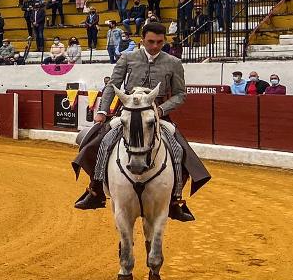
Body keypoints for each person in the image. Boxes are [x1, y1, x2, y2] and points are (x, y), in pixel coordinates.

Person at [71, 22, 210, 223]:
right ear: (142, 40)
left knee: (179, 150)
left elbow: (180, 95)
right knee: (102, 141)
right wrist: (102, 110)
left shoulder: (173, 62)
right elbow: (113, 84)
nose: (155, 46)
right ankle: (95, 190)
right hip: (128, 112)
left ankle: (175, 200)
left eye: (159, 42)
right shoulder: (128, 57)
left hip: (157, 114)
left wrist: (161, 109)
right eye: (151, 41)